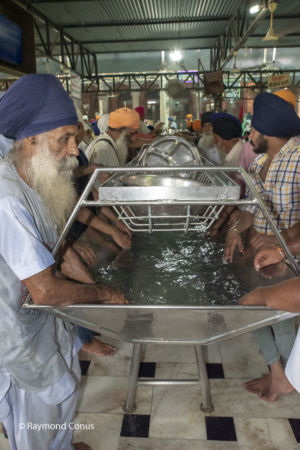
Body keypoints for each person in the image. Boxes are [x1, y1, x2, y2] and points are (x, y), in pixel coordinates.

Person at [0, 73, 128, 450]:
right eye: (65, 139)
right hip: (19, 334)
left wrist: (92, 284)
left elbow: (55, 251)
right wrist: (103, 293)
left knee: (66, 396)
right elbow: (45, 290)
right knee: (37, 422)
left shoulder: (33, 182)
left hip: (46, 324)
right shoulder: (8, 199)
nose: (74, 150)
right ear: (31, 140)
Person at [224, 91, 300, 403]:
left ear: (268, 132)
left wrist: (282, 243)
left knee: (280, 320)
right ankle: (277, 373)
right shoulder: (257, 166)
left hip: (291, 256)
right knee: (249, 306)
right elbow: (250, 211)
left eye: (253, 129)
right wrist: (233, 230)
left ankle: (285, 376)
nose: (249, 135)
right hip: (262, 255)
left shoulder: (298, 163)